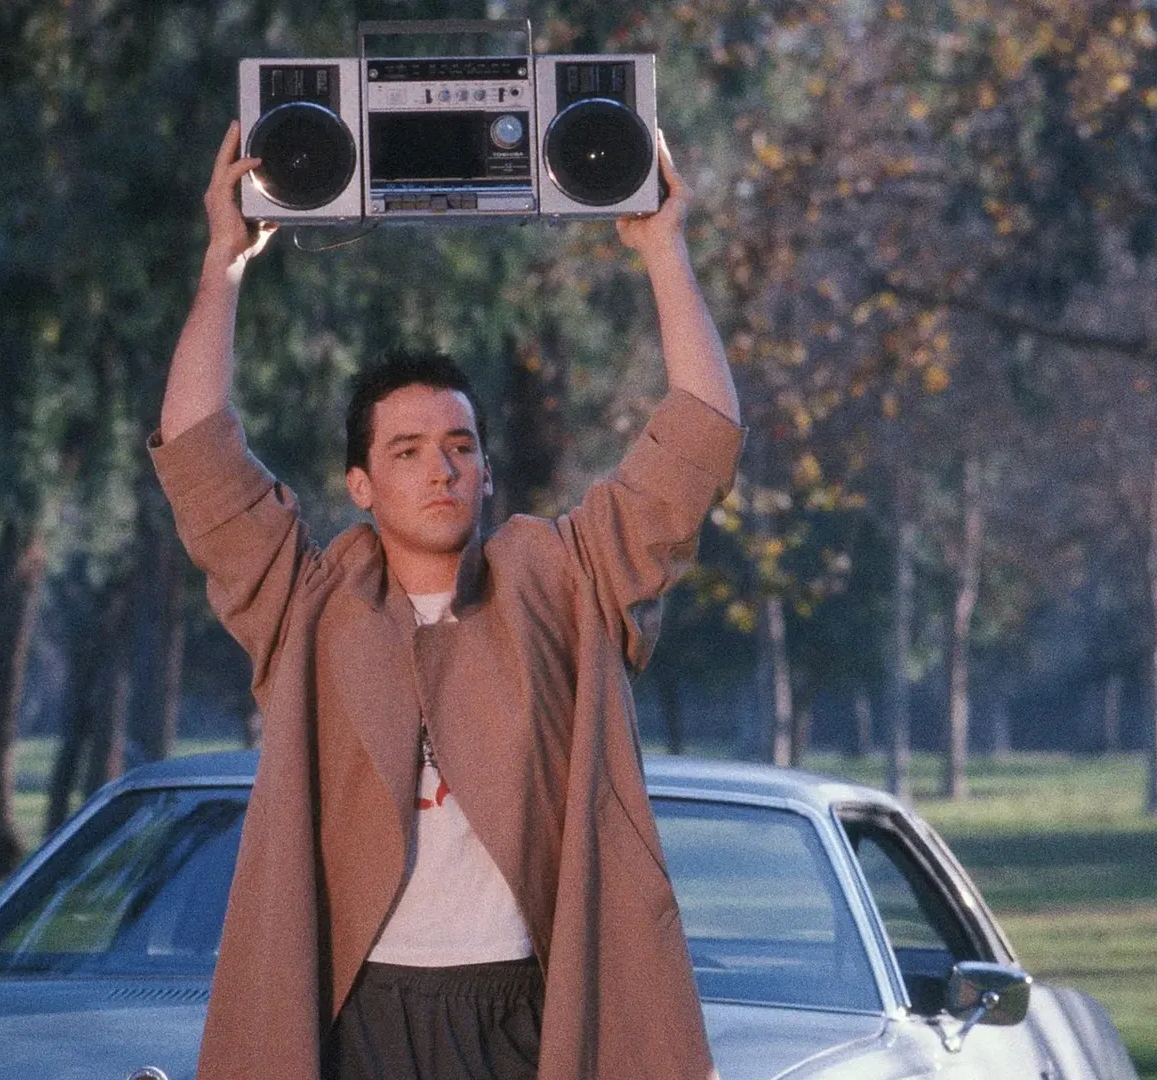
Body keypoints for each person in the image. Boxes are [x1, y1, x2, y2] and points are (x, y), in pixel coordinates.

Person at [150, 119, 745, 1080]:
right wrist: (224, 262)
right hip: (360, 1015)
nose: (441, 470)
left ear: (488, 470)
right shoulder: (309, 606)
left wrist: (663, 251)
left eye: (461, 447)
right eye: (408, 450)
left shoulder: (563, 583)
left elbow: (699, 439)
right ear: (360, 484)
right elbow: (199, 460)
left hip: (525, 1014)